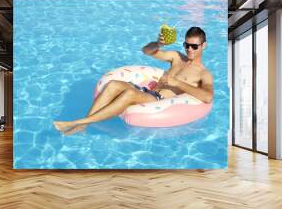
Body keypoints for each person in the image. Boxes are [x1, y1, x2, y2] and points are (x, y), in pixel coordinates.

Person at [53, 27, 213, 135]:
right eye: (187, 45)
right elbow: (147, 51)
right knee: (113, 84)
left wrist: (177, 83)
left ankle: (80, 122)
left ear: (203, 46)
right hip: (148, 92)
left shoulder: (204, 74)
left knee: (129, 93)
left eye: (194, 46)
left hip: (159, 100)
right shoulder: (177, 57)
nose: (189, 49)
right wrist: (158, 44)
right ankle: (84, 125)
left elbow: (207, 97)